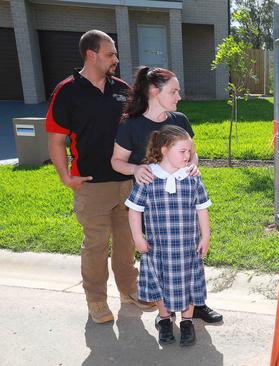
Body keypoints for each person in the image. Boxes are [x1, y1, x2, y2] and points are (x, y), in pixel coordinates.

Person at [46, 29, 155, 324]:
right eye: (110, 54)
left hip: (127, 181)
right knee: (95, 244)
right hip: (92, 185)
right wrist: (66, 177)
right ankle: (95, 300)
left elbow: (141, 125)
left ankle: (129, 291)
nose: (116, 59)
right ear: (91, 55)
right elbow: (56, 139)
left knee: (126, 242)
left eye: (116, 54)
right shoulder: (66, 91)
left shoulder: (121, 88)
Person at [111, 66, 223, 324]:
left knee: (191, 251)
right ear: (153, 91)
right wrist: (136, 168)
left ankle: (197, 304)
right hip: (155, 207)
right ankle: (165, 311)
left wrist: (194, 163)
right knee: (160, 258)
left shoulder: (180, 120)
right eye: (173, 91)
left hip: (184, 201)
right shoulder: (131, 125)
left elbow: (192, 152)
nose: (178, 96)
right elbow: (116, 161)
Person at [125, 125, 212, 346]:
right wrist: (137, 237)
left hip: (187, 247)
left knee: (189, 283)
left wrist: (206, 236)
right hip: (158, 247)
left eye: (189, 152)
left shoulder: (192, 177)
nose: (188, 156)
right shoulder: (148, 177)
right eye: (182, 151)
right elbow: (135, 209)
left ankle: (186, 321)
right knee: (160, 283)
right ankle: (164, 319)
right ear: (164, 150)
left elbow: (202, 208)